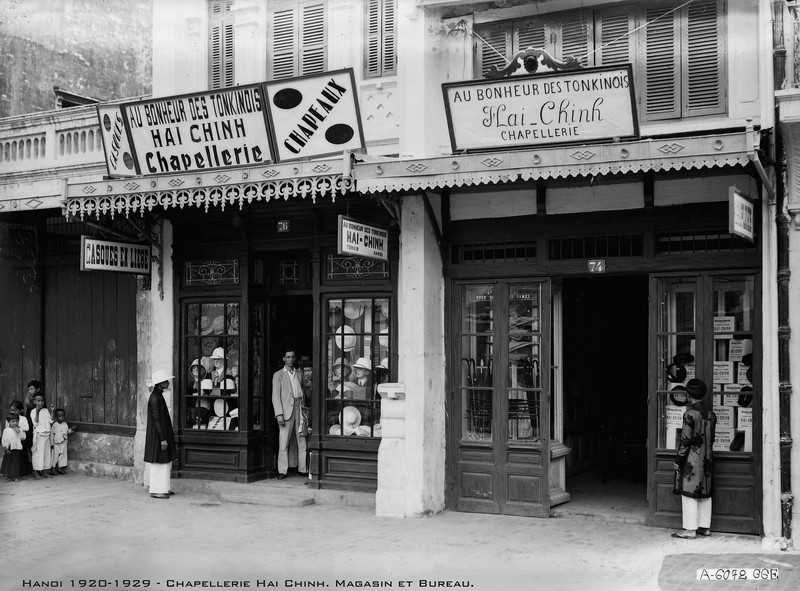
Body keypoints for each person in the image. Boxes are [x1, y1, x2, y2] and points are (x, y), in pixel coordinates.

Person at [672, 378, 717, 539]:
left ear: (689, 396)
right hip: (708, 459)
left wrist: (678, 460)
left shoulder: (690, 414)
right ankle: (705, 527)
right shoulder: (711, 415)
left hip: (692, 459)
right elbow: (712, 439)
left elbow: (685, 440)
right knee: (705, 492)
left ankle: (690, 529)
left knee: (689, 493)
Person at [272, 347, 307, 480]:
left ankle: (302, 468)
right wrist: (279, 414)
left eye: (293, 357)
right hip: (286, 410)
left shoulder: (299, 373)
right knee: (284, 441)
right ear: (283, 358)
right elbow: (275, 396)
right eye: (288, 357)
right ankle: (282, 470)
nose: (291, 359)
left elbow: (304, 389)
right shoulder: (278, 375)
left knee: (302, 438)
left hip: (299, 408)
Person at [144, 369, 177, 499]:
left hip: (160, 434)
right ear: (160, 383)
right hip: (158, 436)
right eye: (165, 381)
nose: (168, 382)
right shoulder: (155, 398)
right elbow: (156, 420)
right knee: (158, 463)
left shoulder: (158, 396)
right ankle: (157, 489)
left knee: (164, 463)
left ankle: (163, 488)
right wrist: (162, 438)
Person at [29, 392, 53, 479]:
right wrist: (38, 412)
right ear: (34, 402)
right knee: (37, 454)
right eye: (38, 401)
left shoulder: (46, 410)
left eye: (42, 401)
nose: (41, 403)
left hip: (46, 434)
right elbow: (35, 423)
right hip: (39, 435)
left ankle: (45, 471)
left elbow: (51, 420)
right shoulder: (33, 411)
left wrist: (52, 411)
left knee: (46, 453)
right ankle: (36, 472)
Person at [8, 400, 32, 477]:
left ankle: (23, 472)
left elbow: (27, 428)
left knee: (22, 456)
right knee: (13, 456)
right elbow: (6, 428)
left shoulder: (23, 418)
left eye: (15, 410)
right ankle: (12, 472)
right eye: (11, 410)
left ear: (20, 410)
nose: (13, 412)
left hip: (21, 440)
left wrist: (18, 427)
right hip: (13, 440)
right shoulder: (9, 418)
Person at [49, 409, 76, 475]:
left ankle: (60, 468)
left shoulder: (65, 424)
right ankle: (53, 468)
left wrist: (71, 429)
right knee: (55, 456)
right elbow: (52, 434)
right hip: (56, 443)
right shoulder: (54, 425)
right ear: (56, 417)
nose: (62, 418)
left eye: (63, 416)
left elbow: (66, 432)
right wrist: (51, 443)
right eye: (59, 416)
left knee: (62, 455)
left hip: (63, 442)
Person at [1, 412, 26, 482]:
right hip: (9, 448)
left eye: (17, 421)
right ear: (8, 422)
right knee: (9, 462)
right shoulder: (6, 430)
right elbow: (4, 439)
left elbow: (23, 438)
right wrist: (5, 448)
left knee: (16, 463)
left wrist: (18, 432)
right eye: (13, 421)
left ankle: (16, 476)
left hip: (17, 448)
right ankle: (9, 476)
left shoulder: (19, 429)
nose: (15, 423)